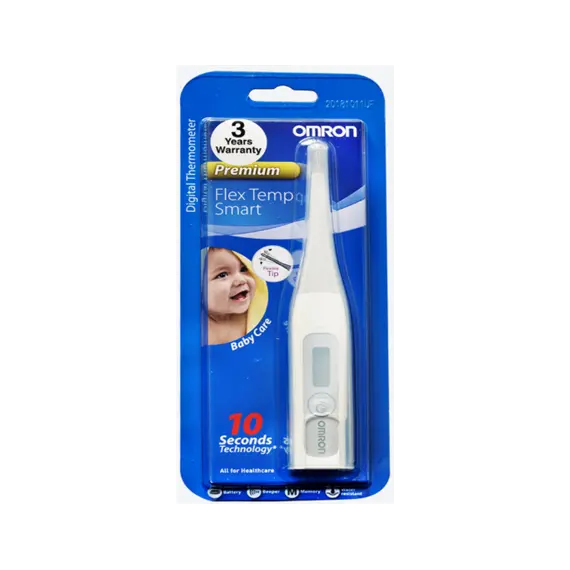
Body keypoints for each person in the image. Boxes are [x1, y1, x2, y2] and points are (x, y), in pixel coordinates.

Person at [205, 248, 258, 345]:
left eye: (243, 269)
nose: (241, 280)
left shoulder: (257, 316)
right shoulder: (198, 328)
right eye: (222, 275)